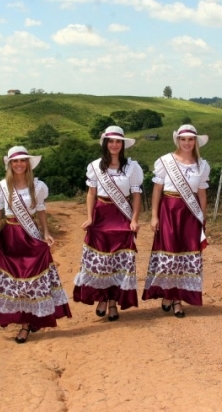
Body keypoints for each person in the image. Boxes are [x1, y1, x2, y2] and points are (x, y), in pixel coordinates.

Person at [0, 146, 71, 343]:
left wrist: (46, 232)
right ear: (10, 164)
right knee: (14, 281)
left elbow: (40, 210)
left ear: (28, 164)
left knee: (30, 280)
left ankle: (27, 324)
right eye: (15, 161)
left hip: (30, 237)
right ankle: (23, 320)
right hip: (10, 237)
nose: (19, 164)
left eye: (22, 161)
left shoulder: (38, 186)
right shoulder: (2, 187)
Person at [73, 126, 143, 321]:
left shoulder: (132, 167)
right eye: (110, 141)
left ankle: (113, 302)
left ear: (122, 144)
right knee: (100, 262)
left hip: (122, 216)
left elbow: (137, 195)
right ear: (105, 144)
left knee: (119, 263)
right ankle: (102, 297)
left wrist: (135, 219)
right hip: (101, 215)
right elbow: (91, 194)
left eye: (118, 141)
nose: (114, 145)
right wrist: (89, 217)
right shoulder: (95, 166)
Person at [142, 124, 210, 318]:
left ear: (195, 142)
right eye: (183, 139)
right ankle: (168, 294)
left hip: (190, 214)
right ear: (178, 141)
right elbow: (157, 190)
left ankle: (178, 298)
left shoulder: (202, 165)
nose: (187, 143)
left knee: (184, 256)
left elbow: (202, 195)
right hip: (169, 211)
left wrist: (202, 219)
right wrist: (154, 215)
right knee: (169, 255)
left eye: (190, 139)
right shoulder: (165, 161)